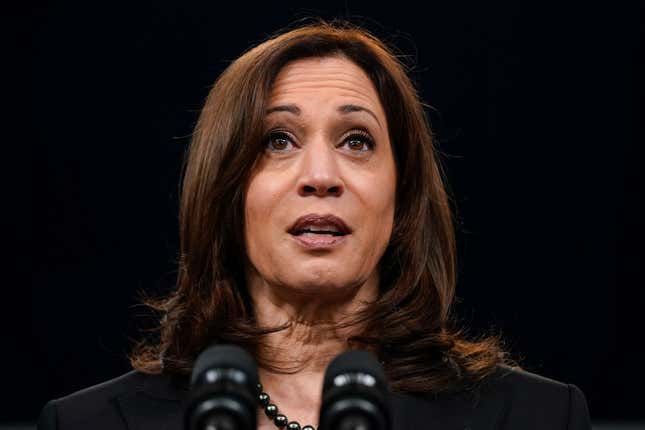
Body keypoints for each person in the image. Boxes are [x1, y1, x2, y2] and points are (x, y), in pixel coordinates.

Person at [37, 19, 591, 430]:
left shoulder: (538, 417)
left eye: (357, 142)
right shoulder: (89, 423)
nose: (321, 176)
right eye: (278, 140)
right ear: (225, 190)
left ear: (403, 195)